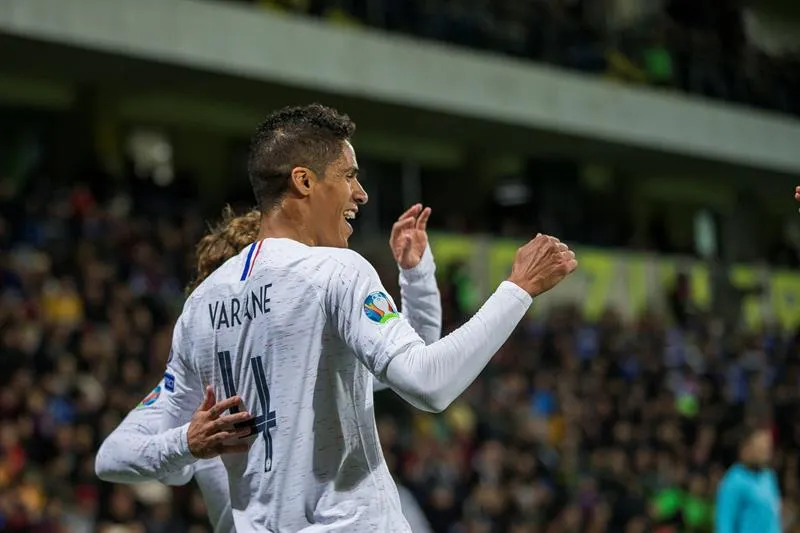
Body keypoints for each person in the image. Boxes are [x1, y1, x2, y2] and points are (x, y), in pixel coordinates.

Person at [148, 103, 576, 532]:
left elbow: (150, 458)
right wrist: (518, 289)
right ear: (304, 181)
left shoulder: (205, 310)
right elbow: (426, 382)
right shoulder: (334, 271)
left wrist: (416, 275)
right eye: (349, 175)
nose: (362, 193)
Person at [95, 202, 440, 532]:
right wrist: (186, 442)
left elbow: (414, 358)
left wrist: (415, 274)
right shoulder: (197, 381)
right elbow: (110, 456)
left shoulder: (317, 361)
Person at [715, 426, 781, 533]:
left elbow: (774, 519)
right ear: (746, 449)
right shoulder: (733, 481)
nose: (765, 452)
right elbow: (724, 524)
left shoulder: (769, 476)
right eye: (760, 448)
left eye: (767, 448)